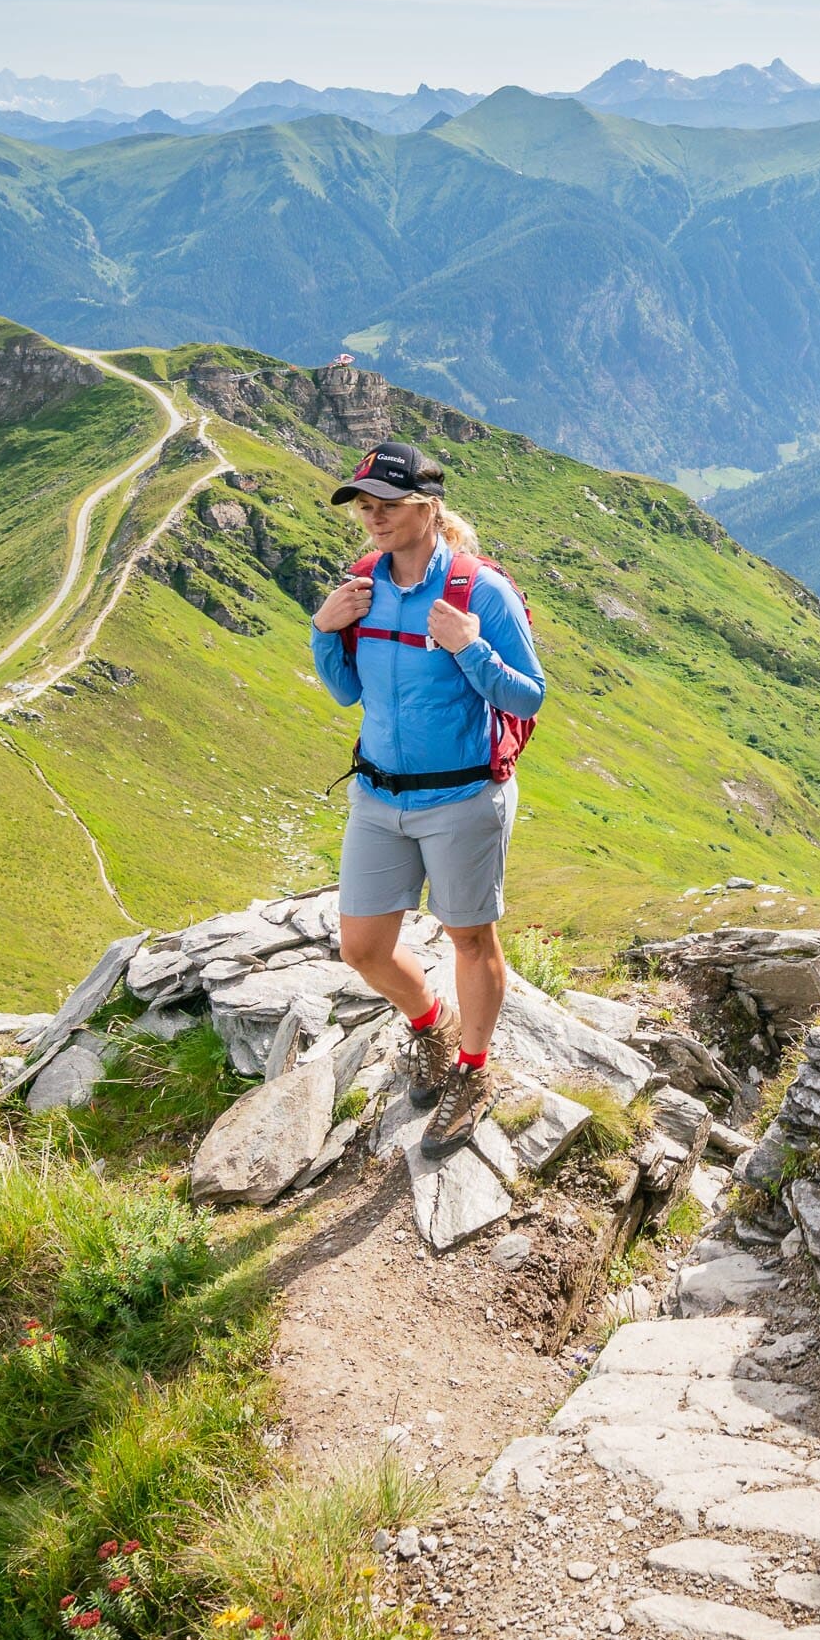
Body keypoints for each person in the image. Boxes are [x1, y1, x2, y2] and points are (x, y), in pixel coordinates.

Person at [308, 439, 546, 1144]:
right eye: (364, 506)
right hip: (379, 799)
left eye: (387, 505)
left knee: (471, 938)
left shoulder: (479, 590)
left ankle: (474, 1069)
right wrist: (325, 631)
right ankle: (431, 1024)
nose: (373, 518)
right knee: (363, 947)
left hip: (461, 798)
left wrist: (469, 647)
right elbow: (347, 689)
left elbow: (528, 697)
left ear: (428, 508)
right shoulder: (361, 587)